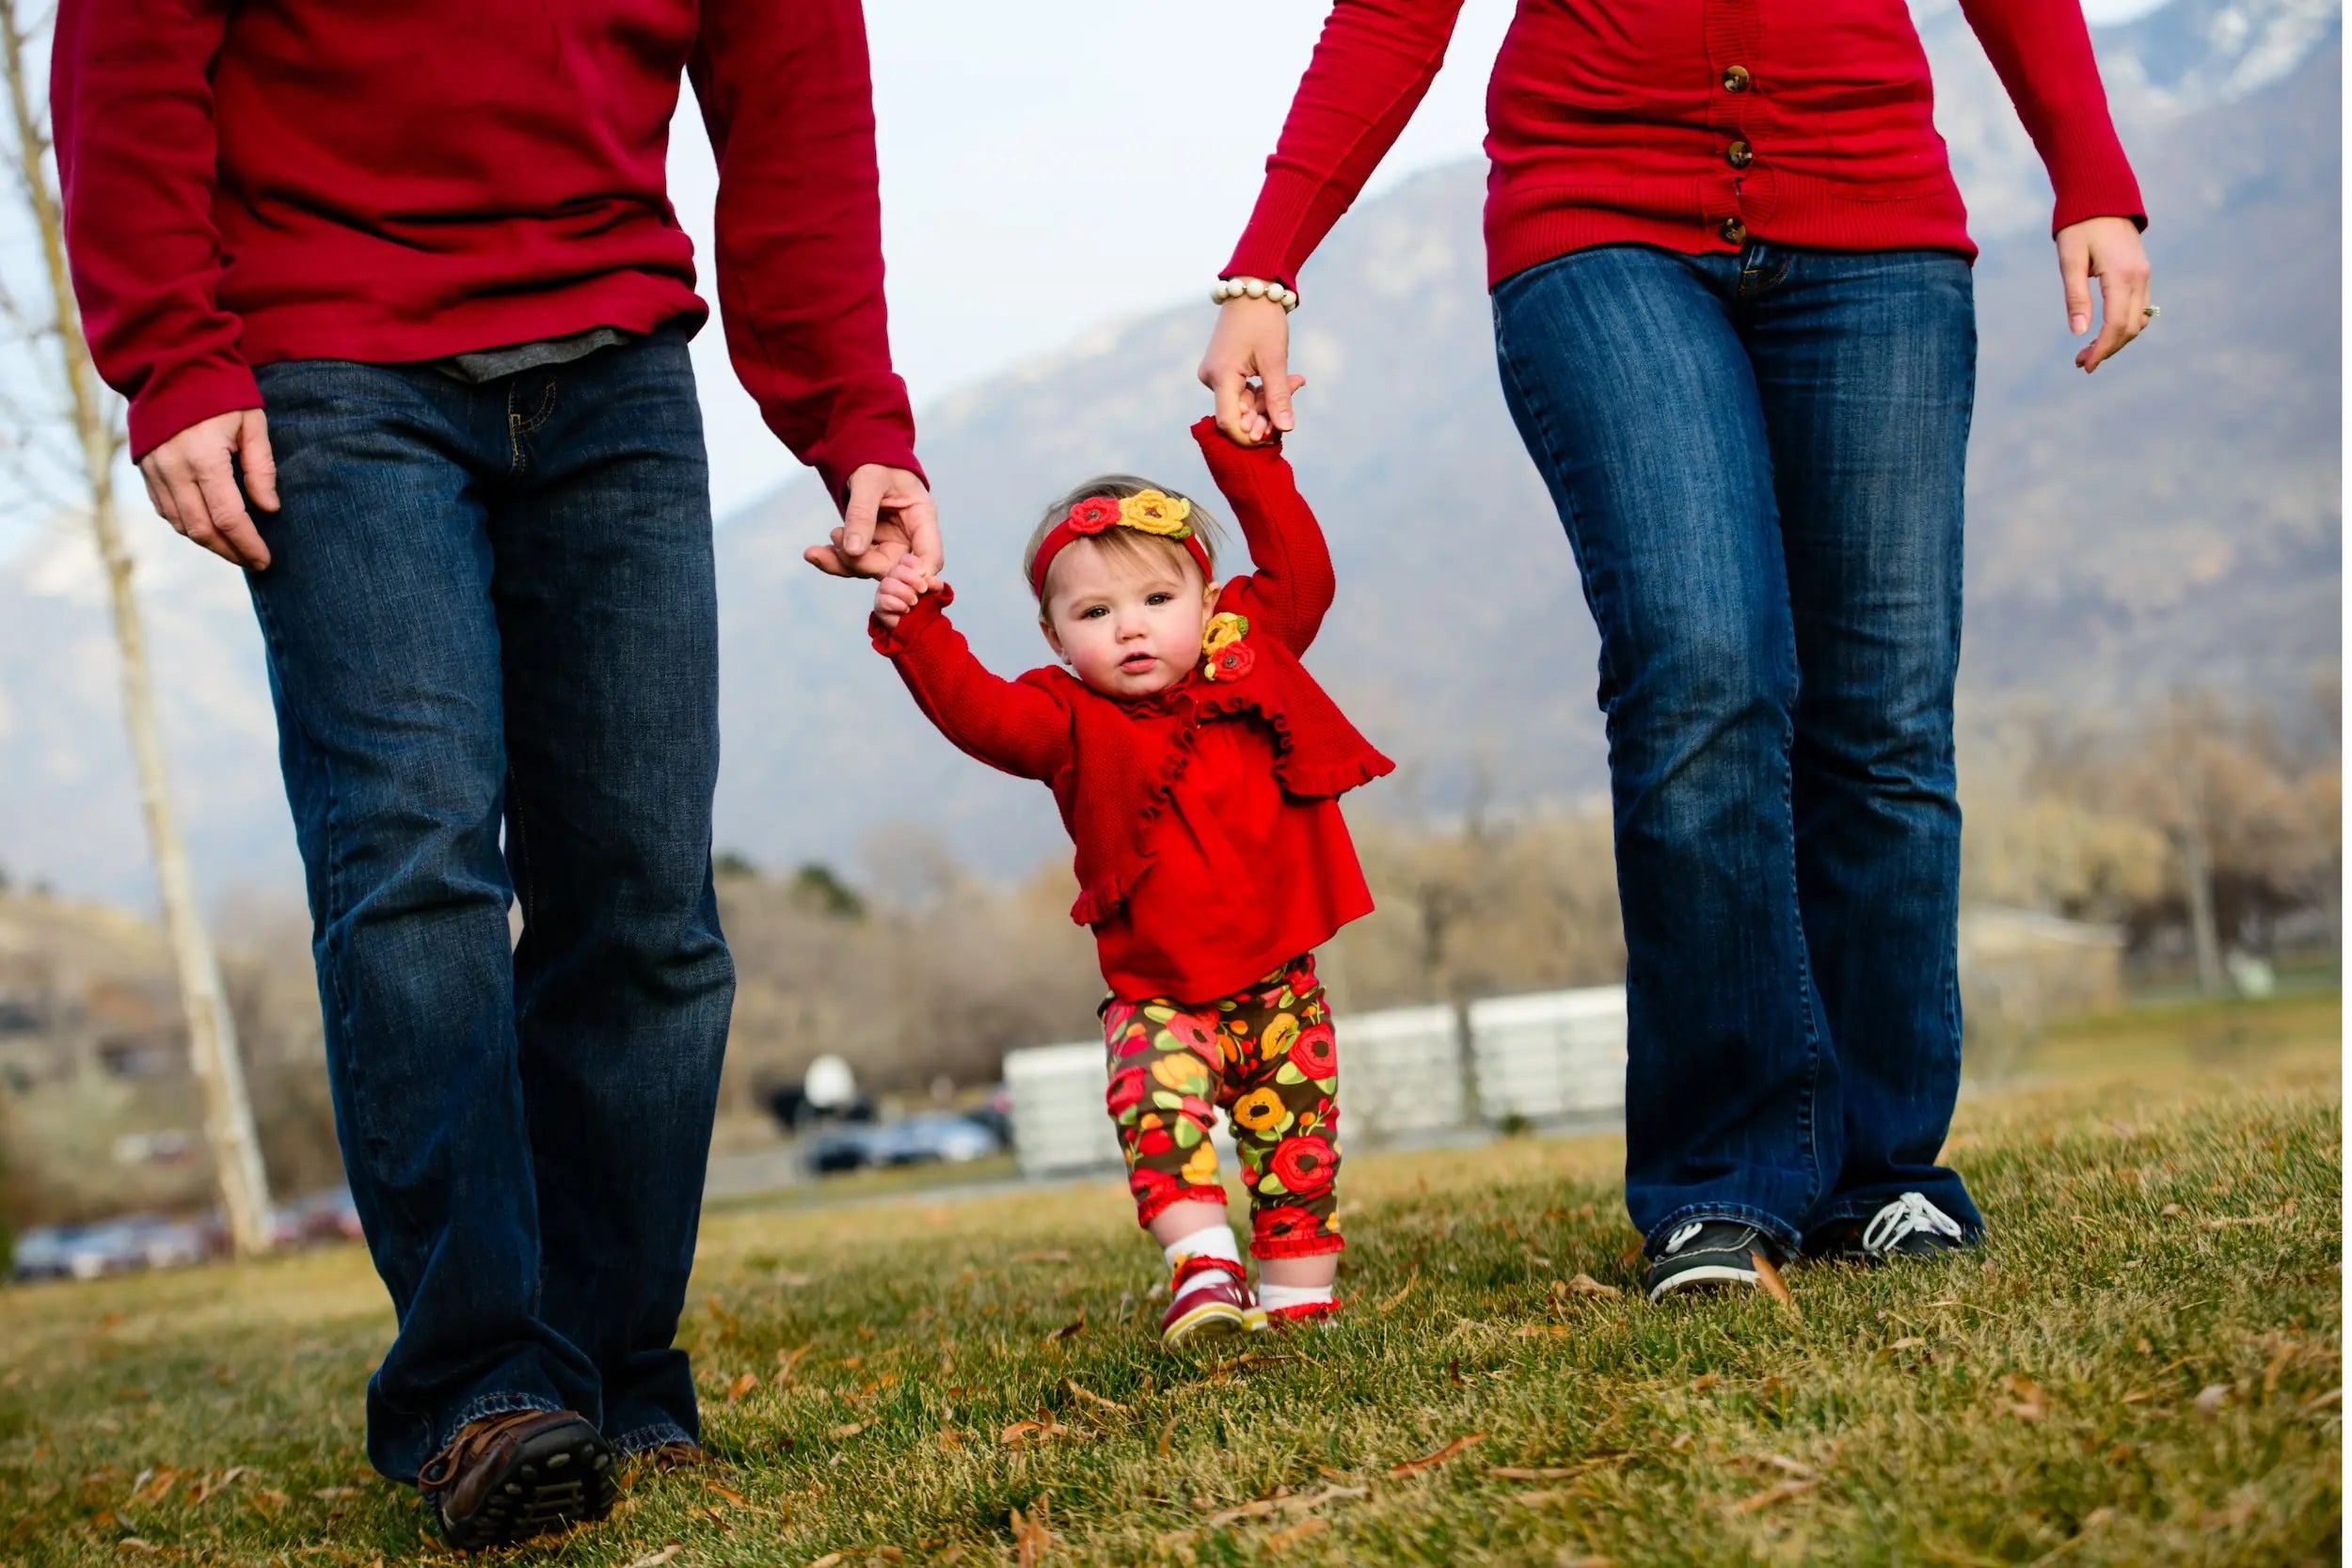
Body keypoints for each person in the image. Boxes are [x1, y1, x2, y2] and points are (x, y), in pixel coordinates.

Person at [53, 0, 933, 1547]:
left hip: (616, 374)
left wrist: (854, 407)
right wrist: (170, 357)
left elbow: (797, 98)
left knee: (645, 903)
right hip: (331, 363)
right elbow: (126, 45)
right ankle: (481, 1388)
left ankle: (612, 1373)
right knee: (414, 872)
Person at [1199, 0, 2153, 1303]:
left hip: (1873, 225)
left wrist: (2090, 172)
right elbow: (1392, 17)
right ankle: (1718, 1181)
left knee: (1881, 714)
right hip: (1597, 221)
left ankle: (1884, 1172)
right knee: (1702, 666)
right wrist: (1268, 264)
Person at [866, 411, 1390, 1346]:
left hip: (1279, 987)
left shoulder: (1251, 652)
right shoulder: (1066, 718)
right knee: (1157, 1113)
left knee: (1296, 1157)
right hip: (1160, 995)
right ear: (1057, 636)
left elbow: (1301, 571)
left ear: (1205, 599)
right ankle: (1203, 1267)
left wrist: (1245, 454)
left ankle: (1300, 1309)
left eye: (1156, 599)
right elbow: (981, 714)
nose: (1131, 628)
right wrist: (917, 624)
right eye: (1095, 613)